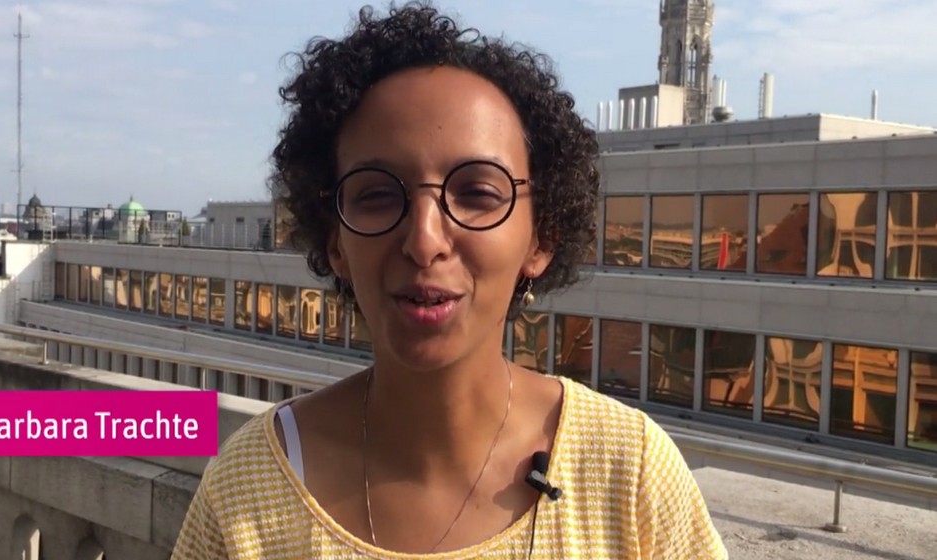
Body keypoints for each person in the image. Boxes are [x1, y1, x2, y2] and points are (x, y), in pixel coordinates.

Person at [171, 2, 728, 558]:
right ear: (335, 240)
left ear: (541, 238)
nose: (424, 239)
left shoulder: (629, 475)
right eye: (378, 194)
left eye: (477, 193)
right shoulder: (247, 491)